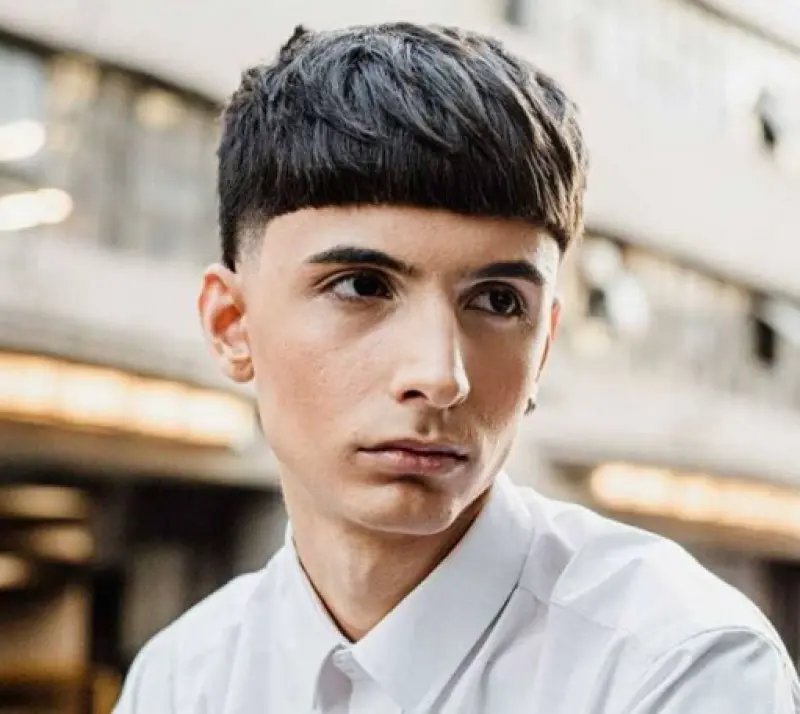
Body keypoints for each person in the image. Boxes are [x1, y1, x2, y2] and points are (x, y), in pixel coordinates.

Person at [114, 22, 800, 713]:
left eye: (499, 301)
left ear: (544, 347)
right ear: (232, 325)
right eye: (362, 286)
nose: (441, 375)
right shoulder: (182, 677)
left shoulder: (679, 665)